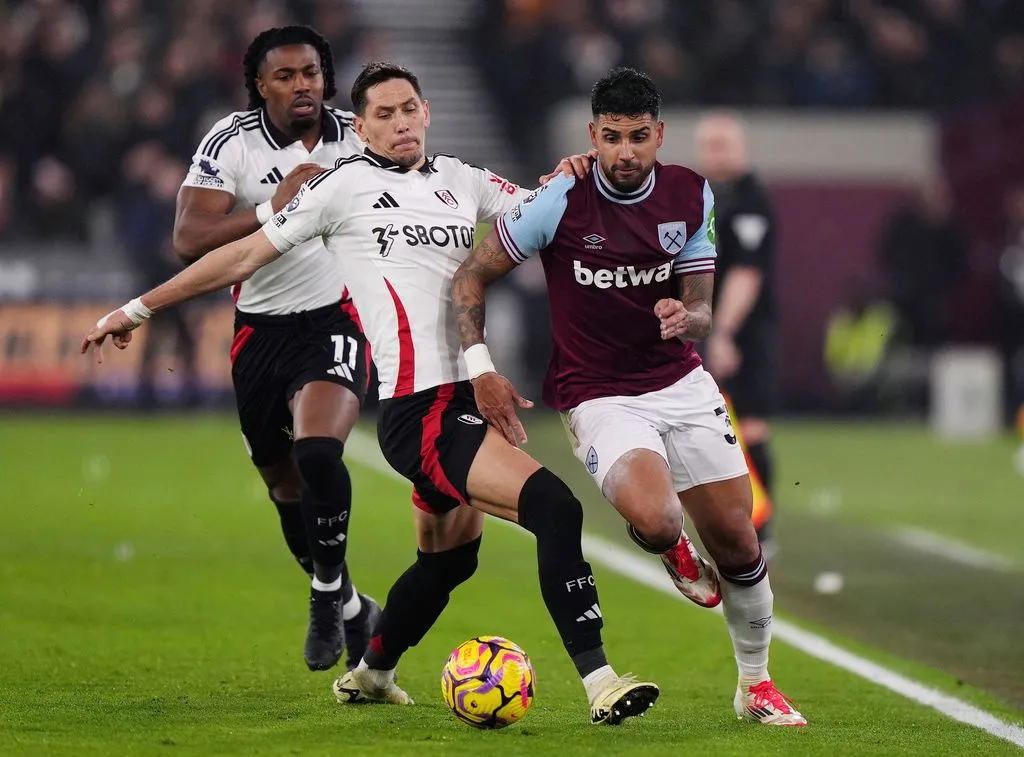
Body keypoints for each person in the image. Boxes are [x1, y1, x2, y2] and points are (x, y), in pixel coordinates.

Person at [81, 61, 657, 726]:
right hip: (421, 410)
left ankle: (373, 671)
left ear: (427, 111)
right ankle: (601, 680)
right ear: (361, 128)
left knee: (448, 562)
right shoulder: (341, 188)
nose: (400, 121)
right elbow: (240, 256)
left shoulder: (462, 181)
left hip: (460, 404)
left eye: (409, 107)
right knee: (555, 508)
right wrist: (137, 308)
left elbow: (541, 214)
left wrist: (573, 178)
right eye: (383, 114)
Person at [451, 67, 807, 727]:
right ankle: (670, 546)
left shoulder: (690, 193)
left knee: (736, 538)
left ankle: (755, 684)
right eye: (611, 137)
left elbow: (701, 297)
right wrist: (481, 365)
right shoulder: (557, 200)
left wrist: (689, 316)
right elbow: (473, 274)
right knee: (659, 515)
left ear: (658, 136)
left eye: (638, 137)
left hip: (681, 382)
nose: (624, 152)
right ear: (593, 134)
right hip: (597, 395)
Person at [171, 25, 379, 673]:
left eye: (311, 73)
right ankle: (349, 604)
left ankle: (323, 598)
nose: (301, 86)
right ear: (260, 85)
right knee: (282, 482)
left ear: (326, 77)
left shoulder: (358, 134)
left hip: (335, 318)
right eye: (285, 76)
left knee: (318, 449)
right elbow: (189, 235)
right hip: (259, 328)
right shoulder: (231, 142)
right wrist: (271, 209)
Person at [695, 112, 780, 552]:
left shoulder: (750, 201)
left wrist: (724, 333)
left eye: (724, 144)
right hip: (709, 328)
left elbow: (747, 272)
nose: (716, 154)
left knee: (750, 425)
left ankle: (760, 530)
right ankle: (733, 523)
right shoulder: (709, 196)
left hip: (746, 331)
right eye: (709, 145)